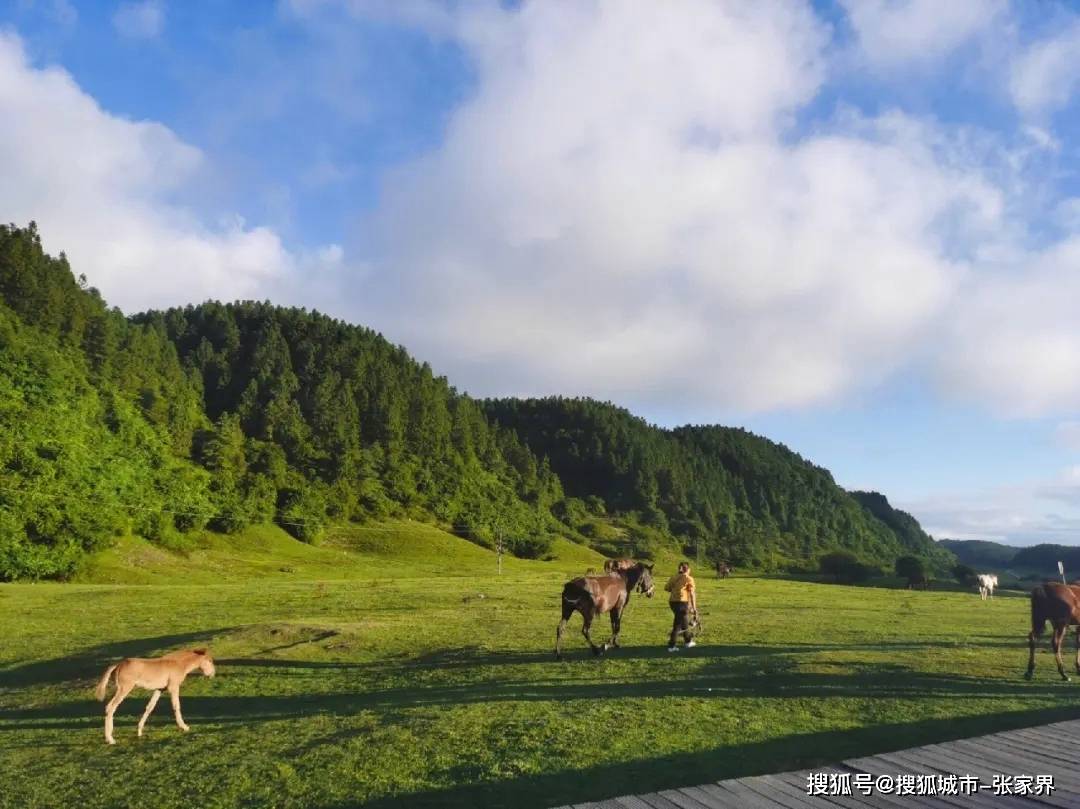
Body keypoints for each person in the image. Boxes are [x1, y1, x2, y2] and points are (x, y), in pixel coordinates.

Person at [664, 561, 697, 651]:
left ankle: (688, 642)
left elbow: (666, 588)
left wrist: (676, 589)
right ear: (688, 569)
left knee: (684, 620)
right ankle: (672, 646)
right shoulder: (689, 578)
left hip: (672, 602)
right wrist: (694, 608)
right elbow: (692, 594)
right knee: (677, 624)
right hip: (682, 602)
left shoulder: (674, 577)